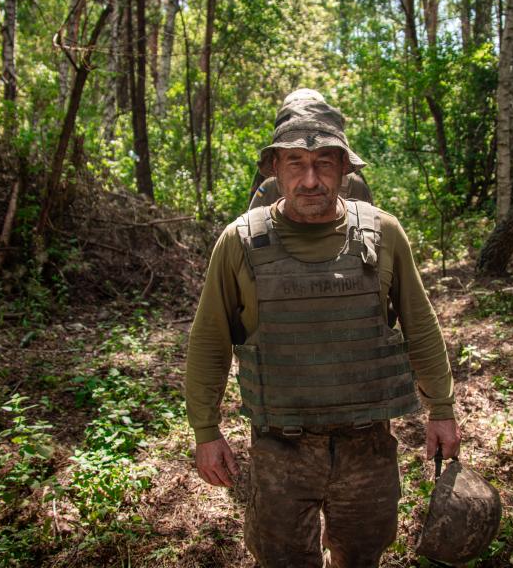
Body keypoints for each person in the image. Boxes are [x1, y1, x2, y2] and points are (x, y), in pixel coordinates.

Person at [185, 88, 459, 568]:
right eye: (295, 162)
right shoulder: (239, 242)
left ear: (344, 168)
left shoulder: (384, 233)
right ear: (274, 167)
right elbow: (209, 342)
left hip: (368, 448)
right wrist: (206, 432)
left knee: (360, 558)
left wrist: (442, 408)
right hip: (279, 450)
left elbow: (420, 326)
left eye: (324, 163)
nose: (310, 179)